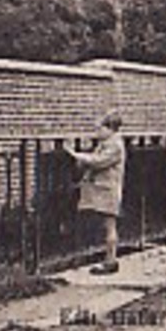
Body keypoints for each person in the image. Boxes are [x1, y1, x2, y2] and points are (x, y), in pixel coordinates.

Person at [68, 110, 127, 274]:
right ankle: (107, 258)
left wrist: (77, 156)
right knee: (105, 225)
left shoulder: (115, 145)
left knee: (109, 225)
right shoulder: (107, 143)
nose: (97, 132)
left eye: (99, 129)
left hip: (108, 190)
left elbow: (99, 161)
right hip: (102, 189)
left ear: (110, 128)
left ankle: (110, 260)